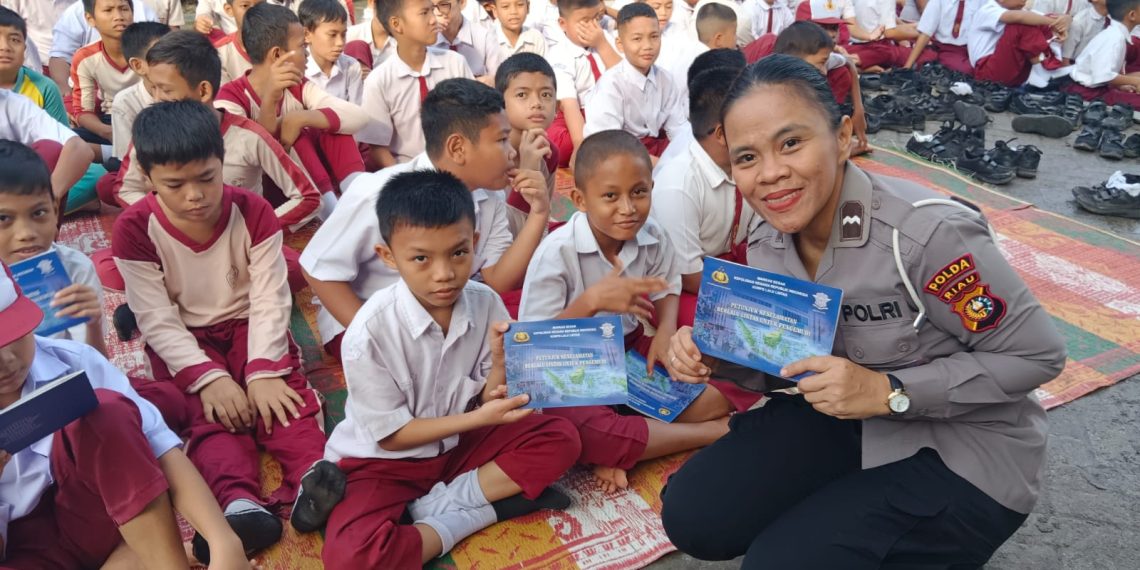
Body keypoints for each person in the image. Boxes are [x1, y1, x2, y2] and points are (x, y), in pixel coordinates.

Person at [659, 55, 1067, 568]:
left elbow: (1038, 356)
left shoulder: (926, 235)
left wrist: (889, 392)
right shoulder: (766, 237)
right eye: (746, 157)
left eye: (791, 143)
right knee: (695, 514)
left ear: (844, 135)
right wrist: (716, 357)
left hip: (962, 445)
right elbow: (785, 366)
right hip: (844, 421)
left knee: (780, 562)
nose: (771, 175)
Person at [291, 171, 578, 567]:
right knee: (351, 559)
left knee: (561, 437)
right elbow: (392, 439)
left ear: (474, 244)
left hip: (457, 444)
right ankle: (476, 512)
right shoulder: (368, 333)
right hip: (384, 463)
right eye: (421, 258)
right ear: (389, 256)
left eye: (458, 253)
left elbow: (482, 397)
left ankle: (432, 507)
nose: (444, 273)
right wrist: (479, 418)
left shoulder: (485, 303)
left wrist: (498, 366)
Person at [111, 100, 332, 561]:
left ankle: (317, 476)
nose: (195, 195)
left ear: (221, 164)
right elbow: (156, 317)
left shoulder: (252, 210)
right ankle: (239, 505)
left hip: (251, 324)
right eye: (175, 184)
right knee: (210, 420)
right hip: (188, 342)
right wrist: (209, 378)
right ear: (148, 180)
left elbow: (270, 297)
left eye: (207, 178)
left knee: (286, 400)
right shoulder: (134, 228)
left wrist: (263, 371)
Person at [0, 259, 251, 569]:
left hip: (92, 515)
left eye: (13, 334)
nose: (6, 359)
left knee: (107, 411)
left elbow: (158, 445)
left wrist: (223, 540)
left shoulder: (71, 360)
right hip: (21, 548)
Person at [518, 130, 732, 494]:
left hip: (628, 350)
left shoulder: (653, 234)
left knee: (713, 394)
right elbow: (530, 349)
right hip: (569, 362)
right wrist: (591, 302)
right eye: (610, 196)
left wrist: (664, 333)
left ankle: (628, 438)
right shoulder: (556, 255)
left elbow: (669, 286)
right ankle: (711, 434)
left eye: (639, 192)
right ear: (580, 200)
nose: (628, 208)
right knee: (581, 430)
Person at [302, 78, 547, 355]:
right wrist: (374, 338)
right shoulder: (378, 194)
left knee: (531, 315)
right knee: (503, 344)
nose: (513, 152)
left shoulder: (489, 195)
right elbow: (317, 269)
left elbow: (499, 280)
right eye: (502, 140)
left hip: (441, 307)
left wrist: (539, 213)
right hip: (365, 317)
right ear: (457, 149)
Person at [112, 30, 321, 237]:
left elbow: (308, 198)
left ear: (203, 91)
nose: (156, 99)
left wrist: (254, 230)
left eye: (166, 90)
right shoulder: (152, 131)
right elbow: (126, 189)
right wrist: (167, 222)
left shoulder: (248, 137)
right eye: (153, 88)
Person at [216, 2, 368, 212]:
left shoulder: (297, 85)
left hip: (305, 182)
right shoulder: (230, 98)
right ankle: (332, 211)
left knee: (331, 125)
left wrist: (297, 119)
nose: (307, 54)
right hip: (265, 197)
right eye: (302, 47)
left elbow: (359, 117)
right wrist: (270, 101)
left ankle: (357, 197)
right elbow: (250, 152)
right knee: (296, 137)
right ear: (277, 55)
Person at [356, 0, 474, 167]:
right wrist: (407, 183)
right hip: (409, 175)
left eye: (432, 11)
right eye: (424, 13)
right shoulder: (379, 81)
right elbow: (378, 148)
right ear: (397, 24)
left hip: (460, 168)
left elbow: (475, 119)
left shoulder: (455, 63)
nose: (434, 19)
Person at [584, 3, 688, 158]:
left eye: (654, 37)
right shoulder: (610, 85)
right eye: (637, 39)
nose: (647, 46)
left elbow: (679, 129)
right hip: (619, 152)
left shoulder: (665, 79)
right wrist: (662, 167)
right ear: (620, 44)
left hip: (656, 149)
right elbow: (608, 143)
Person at [545, 0, 623, 168]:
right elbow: (569, 105)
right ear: (563, 24)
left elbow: (623, 79)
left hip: (609, 109)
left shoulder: (605, 39)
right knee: (559, 146)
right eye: (585, 21)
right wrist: (580, 142)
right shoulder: (559, 55)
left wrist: (602, 45)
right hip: (576, 114)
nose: (593, 27)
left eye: (596, 19)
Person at [494, 52, 560, 237]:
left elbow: (541, 219)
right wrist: (529, 170)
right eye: (522, 94)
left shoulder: (548, 151)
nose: (537, 104)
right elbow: (500, 233)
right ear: (502, 102)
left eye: (546, 94)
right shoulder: (490, 153)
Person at [0, 90, 94, 207]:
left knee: (51, 150)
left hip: (14, 201)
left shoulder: (14, 104)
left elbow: (80, 148)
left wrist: (48, 199)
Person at [70, 0, 137, 153]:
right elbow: (83, 111)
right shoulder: (85, 57)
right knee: (67, 140)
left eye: (124, 9)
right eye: (108, 10)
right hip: (111, 121)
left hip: (152, 118)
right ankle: (114, 155)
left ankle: (112, 157)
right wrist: (108, 132)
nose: (119, 16)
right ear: (90, 19)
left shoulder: (151, 49)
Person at [967, 0, 1070, 87]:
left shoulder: (1018, 10)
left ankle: (1043, 71)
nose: (1024, 0)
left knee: (1040, 22)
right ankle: (1043, 71)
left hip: (1014, 71)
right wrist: (1052, 22)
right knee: (1022, 24)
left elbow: (1058, 18)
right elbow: (1019, 18)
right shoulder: (987, 10)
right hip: (987, 73)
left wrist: (1062, 23)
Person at [110, 21, 169, 159]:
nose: (174, 60)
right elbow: (128, 161)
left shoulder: (191, 88)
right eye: (163, 55)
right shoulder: (126, 103)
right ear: (137, 65)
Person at [1067, 0, 1140, 105]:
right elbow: (1103, 75)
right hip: (1088, 94)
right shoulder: (1114, 38)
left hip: (1099, 90)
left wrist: (1121, 85)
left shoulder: (1116, 34)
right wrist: (1135, 81)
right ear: (1132, 15)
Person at [302, 0, 365, 104]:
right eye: (332, 35)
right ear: (307, 34)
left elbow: (357, 114)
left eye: (343, 34)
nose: (340, 43)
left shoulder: (352, 67)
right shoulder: (299, 73)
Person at [434, 0, 507, 84]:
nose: (437, 12)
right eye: (431, 7)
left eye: (443, 5)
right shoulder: (425, 41)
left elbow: (499, 80)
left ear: (462, 3)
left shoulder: (484, 36)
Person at [903, 0, 973, 73]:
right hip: (946, 48)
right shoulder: (938, 1)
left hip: (973, 49)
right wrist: (907, 66)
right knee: (963, 69)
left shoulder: (981, 2)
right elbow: (926, 33)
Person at [214, 0, 260, 85]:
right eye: (245, 6)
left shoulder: (283, 44)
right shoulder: (220, 53)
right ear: (229, 9)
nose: (254, 12)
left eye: (260, 5)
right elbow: (223, 96)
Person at [344, 0, 398, 72]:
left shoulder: (404, 45)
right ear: (372, 3)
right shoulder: (349, 35)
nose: (389, 14)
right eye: (385, 7)